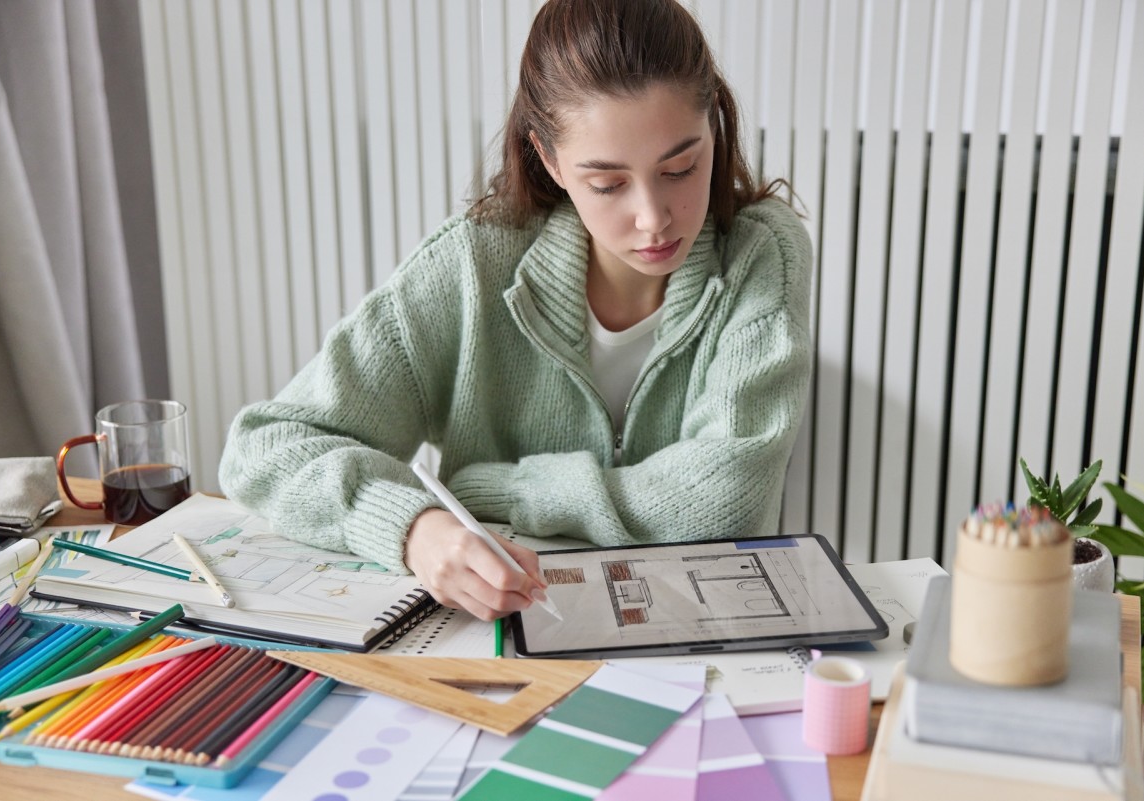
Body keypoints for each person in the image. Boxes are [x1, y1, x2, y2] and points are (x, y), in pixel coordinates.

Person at [218, 0, 813, 622]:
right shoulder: (471, 266)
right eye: (607, 184)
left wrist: (495, 490)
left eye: (680, 168)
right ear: (551, 161)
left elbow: (727, 501)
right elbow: (266, 447)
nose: (652, 217)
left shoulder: (761, 252)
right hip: (506, 633)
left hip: (704, 628)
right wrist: (414, 529)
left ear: (714, 127)